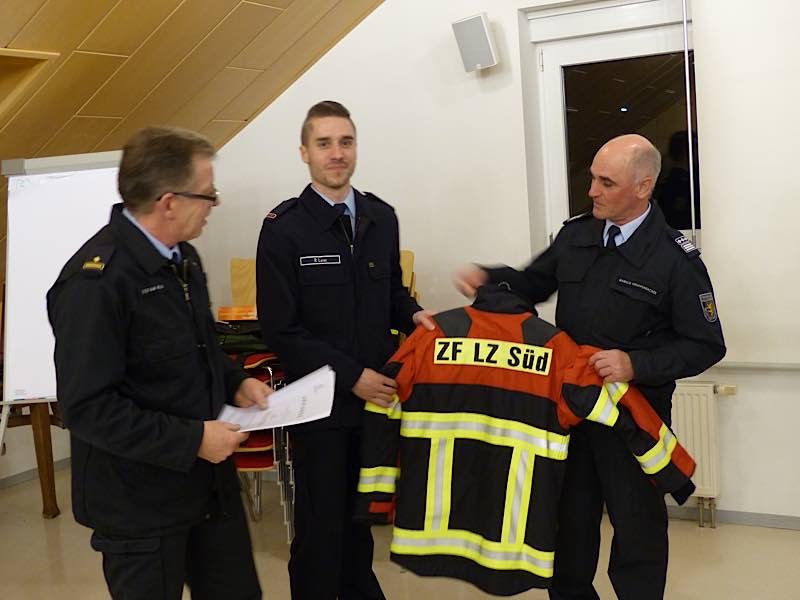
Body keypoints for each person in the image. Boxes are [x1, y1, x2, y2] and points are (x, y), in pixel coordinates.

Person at [455, 134, 726, 600]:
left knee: (637, 527)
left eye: (606, 182)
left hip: (633, 415)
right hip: (571, 410)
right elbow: (531, 283)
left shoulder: (674, 259)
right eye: (593, 178)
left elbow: (706, 345)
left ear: (643, 187)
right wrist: (490, 278)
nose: (592, 191)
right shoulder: (577, 234)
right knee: (568, 522)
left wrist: (634, 363)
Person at [47, 126, 270, 600]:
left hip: (206, 488)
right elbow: (87, 408)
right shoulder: (96, 284)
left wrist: (235, 382)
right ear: (169, 202)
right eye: (208, 193)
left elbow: (199, 348)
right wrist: (192, 439)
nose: (215, 203)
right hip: (138, 505)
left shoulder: (182, 257)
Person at [256, 100, 434, 599]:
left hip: (377, 403)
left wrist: (413, 315)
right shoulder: (284, 228)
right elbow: (281, 329)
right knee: (321, 527)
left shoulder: (381, 216)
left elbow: (391, 293)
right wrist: (350, 374)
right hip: (321, 406)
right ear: (304, 153)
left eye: (346, 142)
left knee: (362, 520)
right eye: (325, 143)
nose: (337, 154)